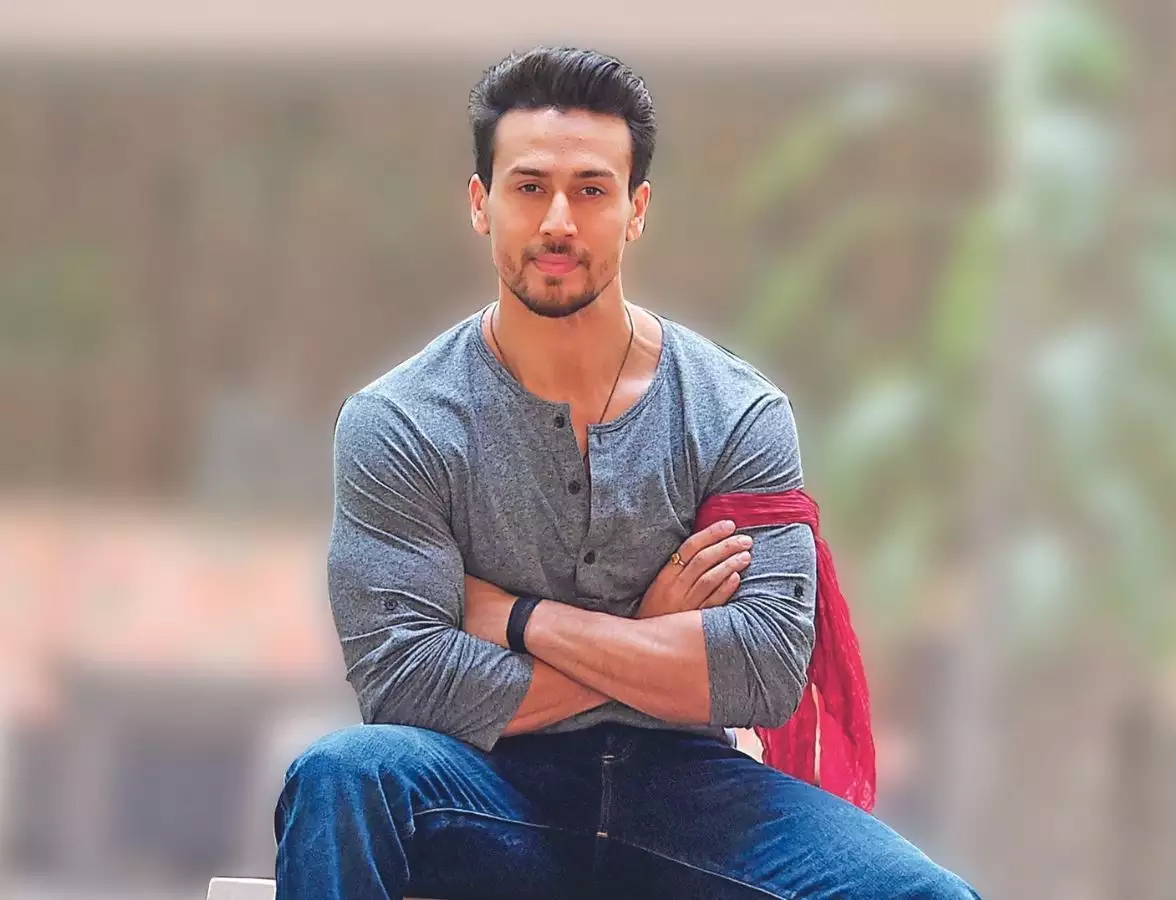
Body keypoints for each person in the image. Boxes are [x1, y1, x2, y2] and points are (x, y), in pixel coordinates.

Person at [274, 46, 981, 900]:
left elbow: (763, 672)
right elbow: (406, 682)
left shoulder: (735, 410)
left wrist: (521, 618)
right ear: (481, 203)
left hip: (692, 796)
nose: (558, 222)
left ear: (636, 209)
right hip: (483, 786)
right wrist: (651, 637)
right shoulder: (401, 421)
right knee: (343, 777)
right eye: (529, 187)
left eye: (591, 190)